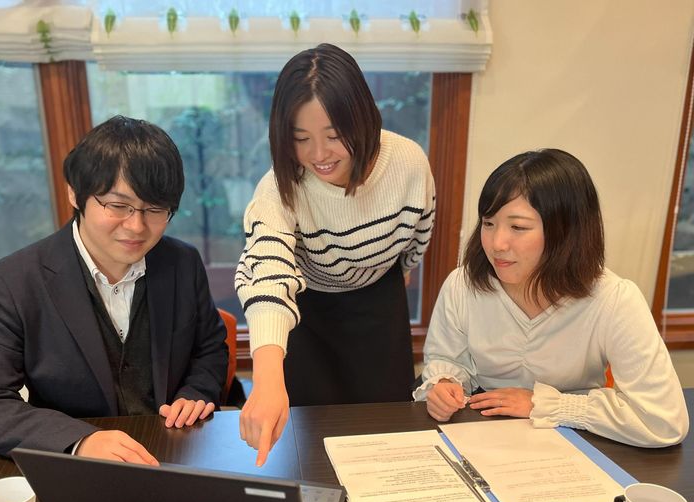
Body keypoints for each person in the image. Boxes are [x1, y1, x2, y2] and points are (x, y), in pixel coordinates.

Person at [0, 116, 228, 464]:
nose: (136, 226)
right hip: (75, 466)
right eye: (118, 206)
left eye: (155, 209)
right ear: (75, 194)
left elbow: (209, 348)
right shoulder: (15, 281)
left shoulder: (182, 263)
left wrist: (196, 392)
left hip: (171, 451)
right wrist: (79, 441)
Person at [236, 43, 436, 465]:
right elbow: (268, 273)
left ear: (361, 119)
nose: (319, 155)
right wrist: (267, 379)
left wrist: (398, 271)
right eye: (301, 139)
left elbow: (419, 232)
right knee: (311, 448)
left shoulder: (407, 163)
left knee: (388, 440)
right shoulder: (277, 189)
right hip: (307, 314)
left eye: (333, 135)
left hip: (380, 306)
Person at [415, 148, 688, 447]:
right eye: (488, 223)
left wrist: (545, 404)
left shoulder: (615, 300)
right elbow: (447, 359)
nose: (497, 243)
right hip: (483, 434)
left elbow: (664, 421)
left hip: (577, 440)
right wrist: (445, 384)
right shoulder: (463, 284)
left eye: (518, 227)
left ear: (566, 231)